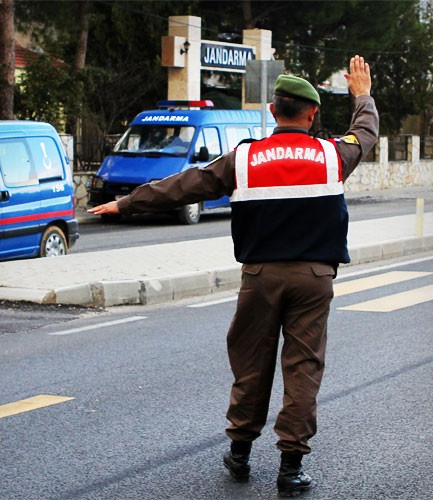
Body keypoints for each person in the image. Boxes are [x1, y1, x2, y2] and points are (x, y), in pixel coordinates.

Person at [88, 55, 379, 497]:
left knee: (251, 362)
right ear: (313, 113)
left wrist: (127, 203)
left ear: (272, 111)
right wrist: (362, 95)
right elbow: (367, 135)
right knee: (303, 368)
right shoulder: (332, 154)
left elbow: (185, 184)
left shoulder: (244, 159)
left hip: (260, 276)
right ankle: (291, 469)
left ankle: (240, 454)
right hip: (315, 277)